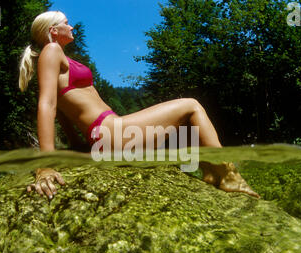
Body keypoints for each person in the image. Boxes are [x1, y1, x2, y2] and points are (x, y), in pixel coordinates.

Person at [19, 11, 260, 200]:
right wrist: (45, 165)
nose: (71, 27)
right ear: (53, 30)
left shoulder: (58, 57)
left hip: (108, 135)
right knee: (192, 106)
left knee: (185, 121)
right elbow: (48, 103)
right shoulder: (51, 50)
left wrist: (76, 146)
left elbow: (61, 110)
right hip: (111, 133)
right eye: (66, 23)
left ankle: (210, 170)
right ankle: (228, 175)